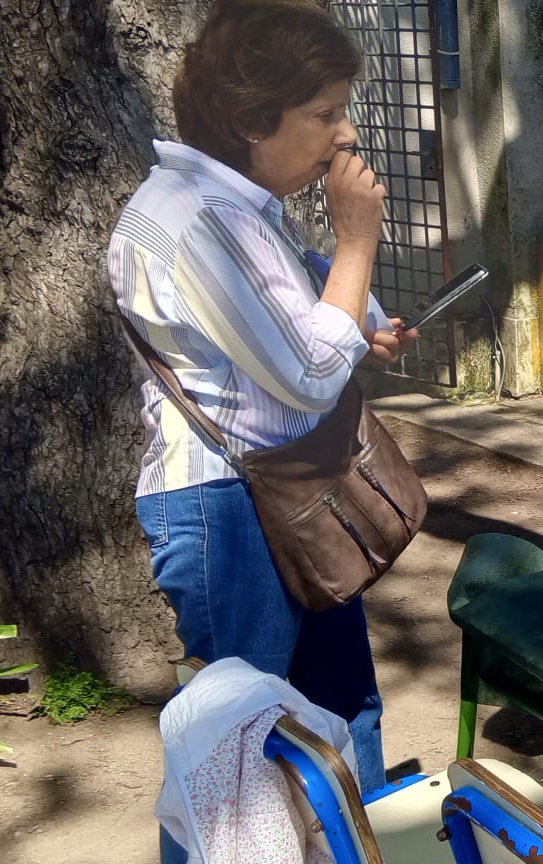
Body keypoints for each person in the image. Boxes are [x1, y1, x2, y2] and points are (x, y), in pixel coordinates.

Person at [109, 0, 410, 831]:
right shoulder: (196, 219)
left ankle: (363, 847)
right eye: (323, 114)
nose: (343, 135)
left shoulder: (239, 208)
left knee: (342, 709)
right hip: (228, 511)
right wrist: (357, 242)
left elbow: (302, 317)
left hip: (282, 494)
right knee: (236, 764)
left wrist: (362, 322)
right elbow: (312, 370)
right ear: (251, 118)